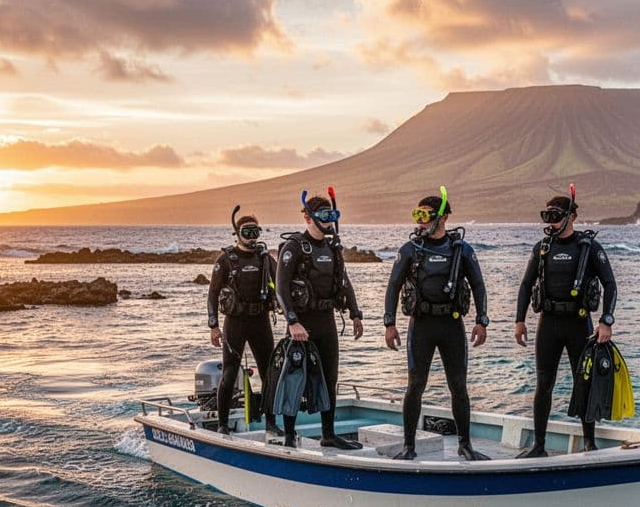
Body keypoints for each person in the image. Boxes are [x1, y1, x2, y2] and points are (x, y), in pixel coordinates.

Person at [383, 189, 491, 461]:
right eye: (416, 215)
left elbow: (478, 285)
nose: (419, 221)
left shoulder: (461, 250)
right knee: (415, 384)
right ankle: (409, 445)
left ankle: (465, 445)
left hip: (452, 326)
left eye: (424, 215)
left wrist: (482, 321)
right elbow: (393, 286)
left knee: (459, 386)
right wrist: (389, 324)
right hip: (421, 325)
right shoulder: (409, 250)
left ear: (442, 218)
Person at [514, 191, 617, 457]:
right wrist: (519, 320)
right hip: (548, 323)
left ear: (571, 217)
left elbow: (610, 284)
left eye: (555, 216)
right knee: (543, 385)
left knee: (583, 382)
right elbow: (526, 285)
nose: (550, 222)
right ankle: (538, 445)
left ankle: (589, 443)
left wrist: (606, 321)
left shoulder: (588, 247)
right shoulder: (542, 248)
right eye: (546, 216)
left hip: (579, 324)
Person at [271, 192, 365, 449]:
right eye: (324, 216)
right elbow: (281, 288)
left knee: (329, 378)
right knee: (295, 378)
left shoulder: (332, 248)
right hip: (302, 324)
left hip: (326, 321)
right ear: (307, 217)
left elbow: (344, 282)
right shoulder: (294, 247)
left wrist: (355, 314)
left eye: (332, 216)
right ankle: (289, 436)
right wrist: (292, 322)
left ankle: (328, 434)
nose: (329, 221)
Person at [207, 209, 280, 435]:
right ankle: (222, 424)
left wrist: (294, 316)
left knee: (269, 372)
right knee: (230, 372)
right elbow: (212, 293)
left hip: (260, 320)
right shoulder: (226, 260)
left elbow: (282, 285)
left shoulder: (266, 258)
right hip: (235, 322)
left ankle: (271, 423)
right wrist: (214, 326)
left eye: (255, 231)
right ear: (237, 234)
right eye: (246, 232)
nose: (251, 237)